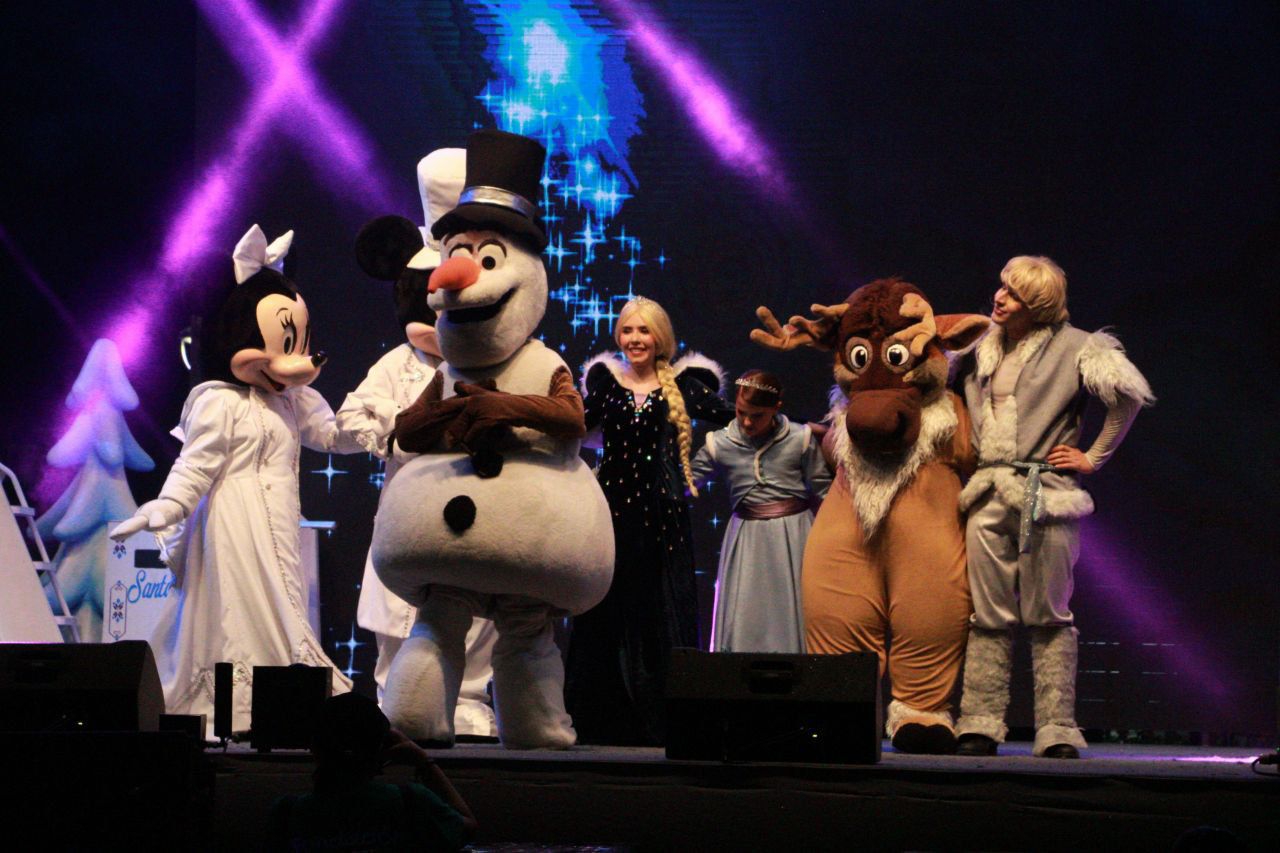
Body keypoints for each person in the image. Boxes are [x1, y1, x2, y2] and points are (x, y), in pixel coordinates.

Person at [110, 225, 363, 735]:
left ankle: (277, 708)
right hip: (231, 521)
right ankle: (236, 711)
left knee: (282, 600)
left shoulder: (292, 400)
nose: (293, 362)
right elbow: (196, 465)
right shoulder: (219, 402)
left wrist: (372, 424)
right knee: (240, 611)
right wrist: (166, 506)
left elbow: (333, 436)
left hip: (278, 523)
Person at [952, 255, 1154, 758]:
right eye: (1001, 287)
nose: (999, 298)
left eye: (1014, 294)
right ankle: (979, 720)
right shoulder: (980, 345)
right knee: (988, 615)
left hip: (1047, 496)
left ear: (1038, 306)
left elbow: (1128, 397)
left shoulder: (1078, 347)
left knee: (1048, 615)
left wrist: (1093, 457)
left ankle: (1057, 727)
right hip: (988, 492)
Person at [340, 148, 497, 739]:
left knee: (474, 600)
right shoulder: (396, 365)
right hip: (407, 505)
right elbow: (355, 416)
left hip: (471, 503)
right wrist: (394, 426)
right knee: (396, 605)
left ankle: (471, 701)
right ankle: (393, 700)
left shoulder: (489, 364)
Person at [565, 296, 735, 745]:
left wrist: (801, 429)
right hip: (612, 514)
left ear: (660, 337)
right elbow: (574, 427)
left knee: (658, 609)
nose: (636, 339)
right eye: (628, 331)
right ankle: (601, 717)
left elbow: (738, 421)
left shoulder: (684, 385)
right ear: (618, 337)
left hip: (663, 515)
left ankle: (661, 720)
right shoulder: (607, 384)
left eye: (644, 331)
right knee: (607, 608)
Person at [689, 370, 832, 653]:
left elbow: (824, 490)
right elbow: (686, 482)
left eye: (757, 415)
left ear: (776, 409)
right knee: (746, 611)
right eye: (742, 412)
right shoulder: (720, 443)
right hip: (747, 537)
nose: (746, 421)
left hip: (794, 535)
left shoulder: (799, 438)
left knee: (793, 609)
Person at [268, 692, 477, 851]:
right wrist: (423, 762)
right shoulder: (412, 802)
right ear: (384, 745)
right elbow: (468, 828)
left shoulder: (285, 813)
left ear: (314, 747)